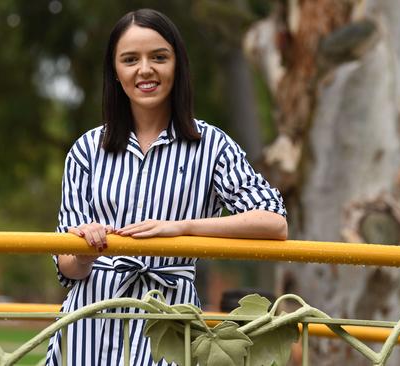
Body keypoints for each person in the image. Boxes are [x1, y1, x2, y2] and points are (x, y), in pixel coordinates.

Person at [45, 8, 287, 366]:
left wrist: (182, 229)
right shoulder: (86, 150)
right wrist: (84, 251)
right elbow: (68, 267)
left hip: (170, 322)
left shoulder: (212, 146)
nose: (145, 70)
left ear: (178, 65)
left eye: (159, 57)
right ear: (115, 71)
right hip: (91, 319)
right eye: (130, 59)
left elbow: (274, 223)